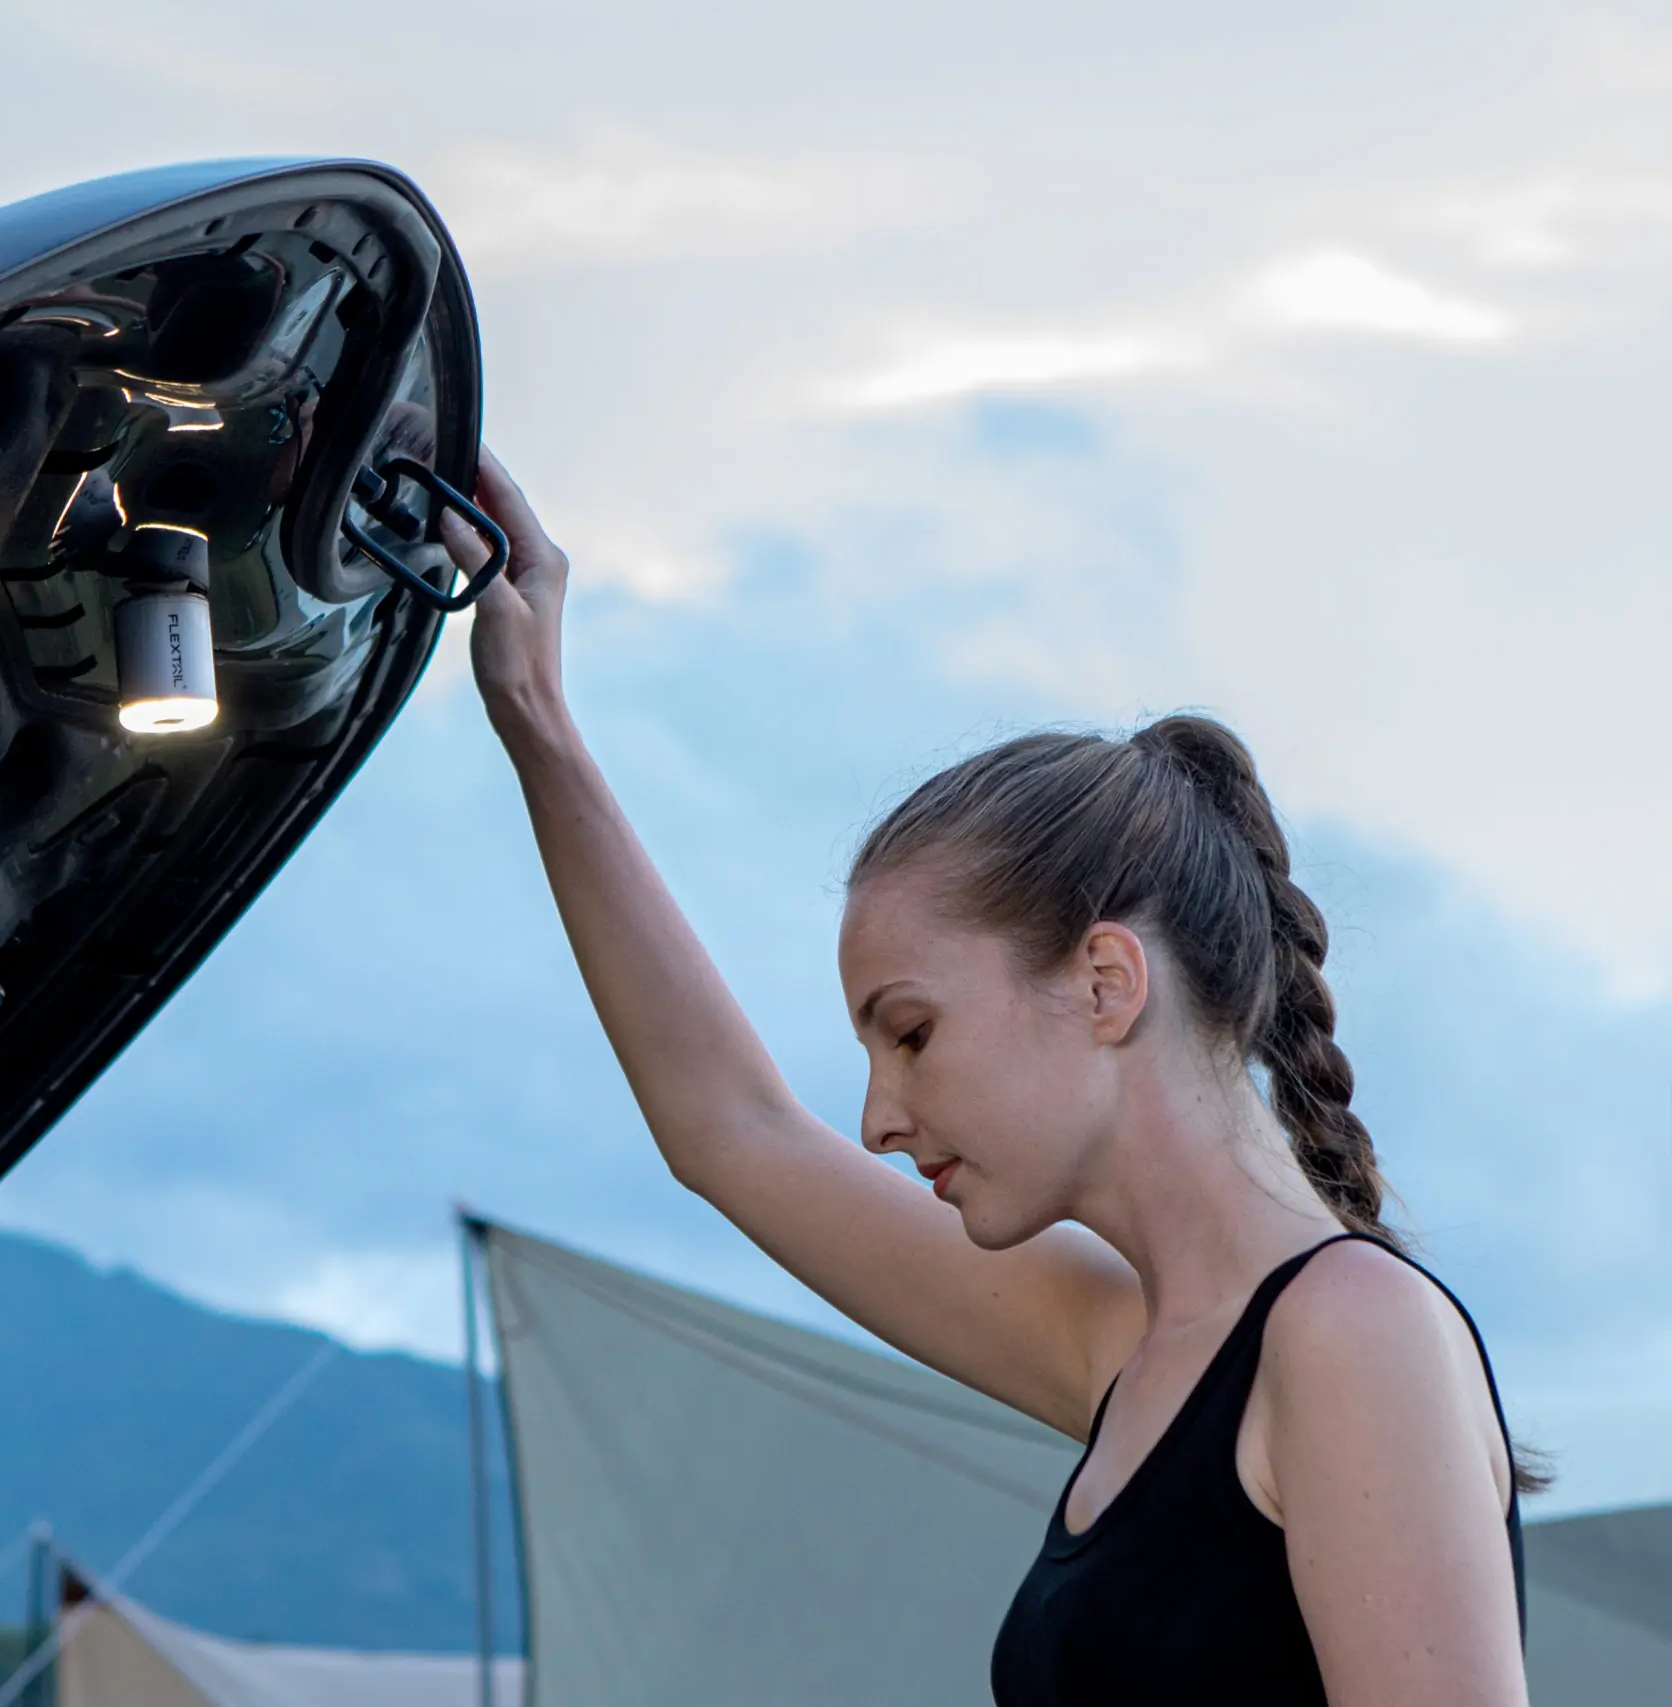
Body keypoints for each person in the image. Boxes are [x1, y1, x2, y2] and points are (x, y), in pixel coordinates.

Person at [441, 449, 1534, 1705]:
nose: (876, 1120)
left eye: (909, 1034)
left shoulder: (1348, 1335)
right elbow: (731, 1133)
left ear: (1105, 984)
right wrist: (538, 724)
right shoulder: (1135, 1344)